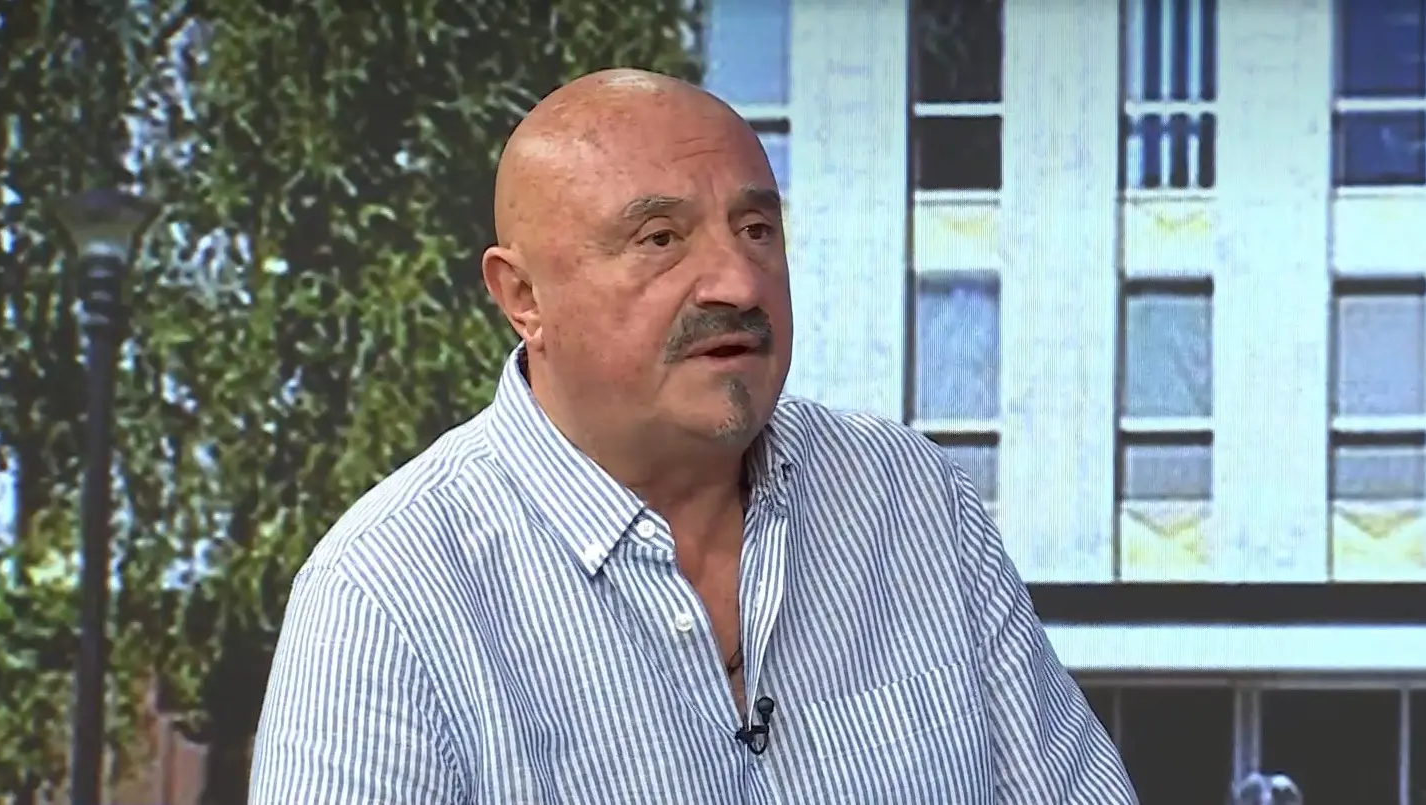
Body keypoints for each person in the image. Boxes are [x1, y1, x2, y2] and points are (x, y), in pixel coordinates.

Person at [248, 68, 1138, 804]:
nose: (739, 283)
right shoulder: (386, 595)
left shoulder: (909, 498)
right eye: (659, 238)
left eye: (756, 230)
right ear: (522, 297)